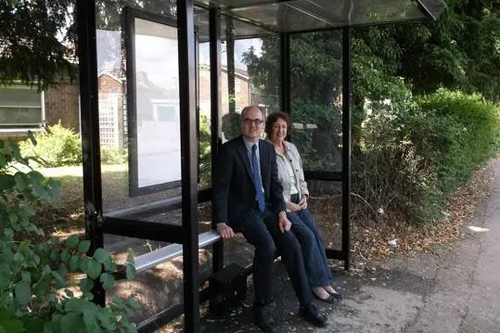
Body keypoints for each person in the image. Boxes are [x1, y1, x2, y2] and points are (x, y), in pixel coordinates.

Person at [213, 106, 327, 333]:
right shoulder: (229, 150)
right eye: (248, 121)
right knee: (267, 246)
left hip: (267, 210)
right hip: (244, 213)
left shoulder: (266, 149)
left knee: (292, 242)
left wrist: (282, 214)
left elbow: (274, 186)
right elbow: (221, 189)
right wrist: (221, 221)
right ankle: (262, 308)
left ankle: (306, 305)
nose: (253, 125)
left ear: (262, 124)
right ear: (242, 124)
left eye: (257, 121)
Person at [265, 111, 342, 304]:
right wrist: (284, 203)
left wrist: (305, 195)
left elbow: (300, 176)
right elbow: (267, 185)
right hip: (282, 205)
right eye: (276, 126)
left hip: (298, 200)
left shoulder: (291, 147)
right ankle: (315, 284)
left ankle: (326, 281)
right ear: (269, 128)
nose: (280, 130)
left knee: (316, 235)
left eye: (283, 126)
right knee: (306, 237)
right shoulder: (265, 150)